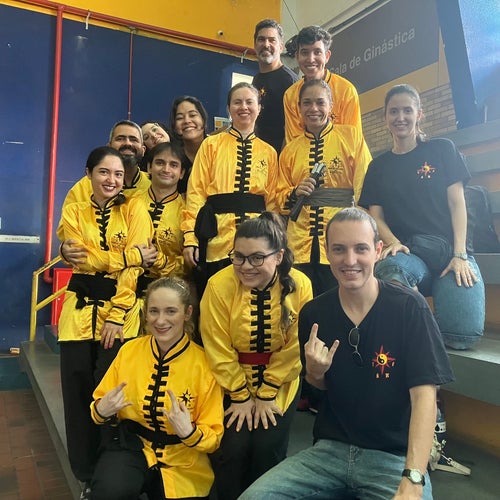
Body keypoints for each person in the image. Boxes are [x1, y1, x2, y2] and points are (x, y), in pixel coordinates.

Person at [240, 207, 454, 500]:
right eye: (339, 249)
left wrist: (413, 477)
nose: (350, 260)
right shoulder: (314, 314)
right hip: (329, 452)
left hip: (392, 458)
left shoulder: (409, 308)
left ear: (377, 251)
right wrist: (315, 374)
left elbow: (425, 397)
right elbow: (318, 392)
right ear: (327, 252)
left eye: (360, 249)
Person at [359, 83, 484, 474]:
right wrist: (393, 242)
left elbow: (457, 203)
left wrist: (460, 254)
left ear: (419, 113)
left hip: (449, 253)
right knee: (391, 276)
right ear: (385, 118)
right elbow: (375, 216)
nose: (400, 117)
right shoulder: (378, 166)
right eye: (393, 111)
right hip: (408, 253)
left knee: (462, 335)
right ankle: (424, 420)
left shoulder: (442, 149)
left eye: (407, 110)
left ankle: (418, 355)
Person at [57, 146, 154, 499]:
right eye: (103, 172)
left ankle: (110, 471)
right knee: (77, 394)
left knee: (113, 395)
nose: (111, 180)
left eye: (117, 174)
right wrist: (128, 254)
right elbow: (82, 258)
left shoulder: (136, 208)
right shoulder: (73, 210)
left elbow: (134, 272)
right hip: (77, 315)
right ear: (89, 174)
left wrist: (117, 315)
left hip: (120, 315)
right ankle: (84, 474)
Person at [200, 212, 313, 500]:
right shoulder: (218, 285)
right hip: (229, 381)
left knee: (267, 448)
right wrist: (239, 395)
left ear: (279, 256)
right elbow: (216, 344)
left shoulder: (301, 285)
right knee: (233, 449)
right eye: (238, 257)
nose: (246, 266)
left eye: (257, 258)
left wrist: (267, 391)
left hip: (282, 383)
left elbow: (296, 345)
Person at [89, 276, 224, 500]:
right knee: (109, 491)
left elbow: (214, 438)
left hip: (185, 461)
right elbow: (98, 407)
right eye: (154, 311)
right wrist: (102, 411)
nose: (160, 321)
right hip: (133, 448)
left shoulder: (205, 364)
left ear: (187, 313)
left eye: (171, 311)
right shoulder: (129, 351)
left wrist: (189, 432)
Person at [182, 82, 278, 296]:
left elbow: (272, 203)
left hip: (258, 242)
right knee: (217, 298)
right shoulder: (211, 145)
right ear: (228, 108)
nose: (243, 107)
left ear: (259, 108)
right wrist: (190, 237)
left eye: (249, 102)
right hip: (217, 240)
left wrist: (274, 241)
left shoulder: (269, 152)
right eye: (237, 102)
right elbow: (196, 193)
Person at [278, 79, 371, 297]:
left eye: (320, 102)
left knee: (339, 299)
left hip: (341, 236)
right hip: (299, 239)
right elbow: (277, 197)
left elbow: (365, 187)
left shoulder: (352, 137)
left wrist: (362, 233)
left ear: (331, 106)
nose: (314, 109)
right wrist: (294, 192)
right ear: (298, 107)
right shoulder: (290, 150)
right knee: (300, 299)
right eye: (307, 103)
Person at [57, 120, 152, 265]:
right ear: (109, 146)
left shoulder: (153, 184)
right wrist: (64, 250)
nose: (127, 143)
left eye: (133, 139)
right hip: (92, 271)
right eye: (120, 138)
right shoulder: (84, 186)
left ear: (143, 149)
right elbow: (69, 238)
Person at [283, 25, 362, 144]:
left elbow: (352, 139)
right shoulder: (290, 96)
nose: (311, 59)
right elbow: (294, 144)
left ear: (327, 56)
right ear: (297, 56)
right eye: (305, 53)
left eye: (317, 52)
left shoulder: (346, 90)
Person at [136, 141, 187, 298]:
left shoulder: (187, 212)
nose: (166, 169)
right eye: (160, 163)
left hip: (169, 293)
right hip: (126, 288)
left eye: (173, 165)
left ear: (182, 173)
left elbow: (190, 264)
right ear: (149, 167)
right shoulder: (130, 203)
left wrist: (160, 261)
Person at [252, 19, 299, 153]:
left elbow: (294, 129)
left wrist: (282, 159)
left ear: (281, 47)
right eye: (261, 39)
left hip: (280, 157)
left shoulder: (289, 81)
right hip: (258, 155)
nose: (266, 44)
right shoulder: (256, 79)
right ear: (255, 45)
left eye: (272, 40)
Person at [169, 95, 209, 194]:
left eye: (192, 115)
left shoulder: (218, 148)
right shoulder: (172, 156)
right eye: (180, 118)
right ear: (175, 127)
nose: (187, 121)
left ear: (203, 120)